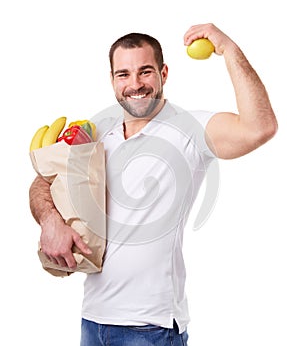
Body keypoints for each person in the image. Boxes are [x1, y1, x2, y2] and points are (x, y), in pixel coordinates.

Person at [29, 23, 277, 346]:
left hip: (152, 329)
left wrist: (229, 49)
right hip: (93, 321)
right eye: (124, 74)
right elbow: (43, 181)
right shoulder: (96, 130)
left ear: (164, 73)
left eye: (145, 72)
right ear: (112, 80)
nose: (135, 84)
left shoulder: (189, 129)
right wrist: (50, 221)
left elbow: (260, 127)